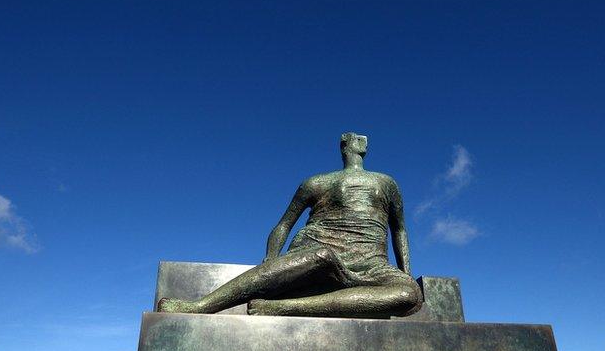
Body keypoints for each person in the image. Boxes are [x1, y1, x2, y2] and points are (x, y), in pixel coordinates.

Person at [158, 132, 423, 318]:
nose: (359, 142)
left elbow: (399, 229)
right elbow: (284, 225)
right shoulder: (316, 183)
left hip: (372, 265)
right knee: (323, 255)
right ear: (345, 146)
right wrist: (271, 260)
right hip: (318, 252)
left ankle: (285, 307)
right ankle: (202, 306)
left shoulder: (387, 183)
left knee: (409, 294)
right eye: (354, 140)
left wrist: (407, 272)